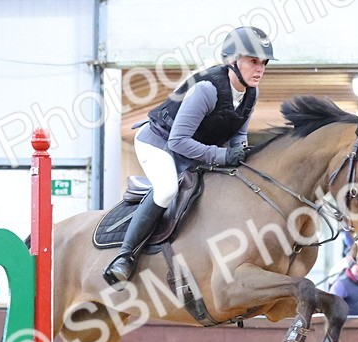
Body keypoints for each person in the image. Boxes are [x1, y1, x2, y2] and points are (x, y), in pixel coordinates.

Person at [102, 26, 275, 287]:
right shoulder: (207, 89)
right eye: (253, 61)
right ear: (232, 60)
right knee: (167, 189)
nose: (259, 68)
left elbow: (238, 133)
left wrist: (241, 155)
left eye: (263, 62)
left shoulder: (252, 93)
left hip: (193, 149)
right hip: (158, 143)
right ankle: (125, 257)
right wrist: (222, 155)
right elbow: (178, 141)